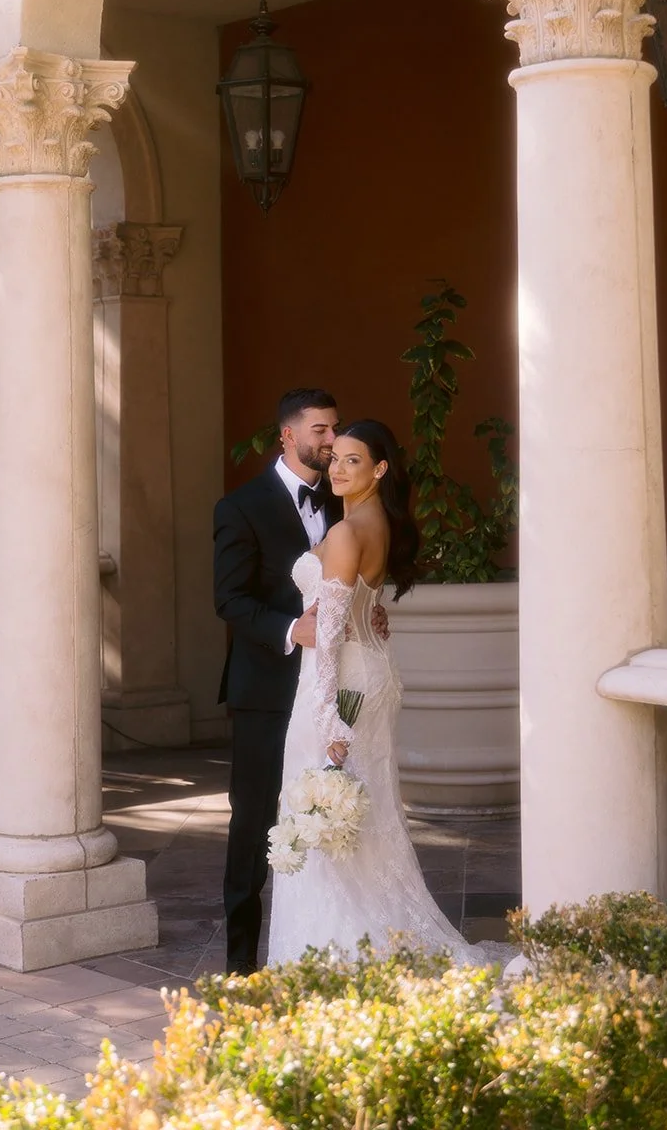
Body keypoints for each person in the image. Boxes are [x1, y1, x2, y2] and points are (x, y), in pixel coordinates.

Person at [267, 419, 483, 966]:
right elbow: (357, 606)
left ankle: (336, 961)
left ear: (379, 469)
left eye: (352, 460)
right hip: (371, 673)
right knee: (367, 814)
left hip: (340, 686)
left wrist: (327, 721)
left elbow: (332, 638)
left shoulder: (345, 533)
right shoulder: (375, 522)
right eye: (334, 458)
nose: (337, 468)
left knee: (329, 814)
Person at [214, 387, 345, 975]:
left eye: (333, 429)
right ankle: (241, 964)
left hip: (330, 689)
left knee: (330, 814)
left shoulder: (344, 499)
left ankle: (322, 947)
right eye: (319, 430)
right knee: (254, 824)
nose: (331, 440)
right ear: (288, 436)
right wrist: (294, 628)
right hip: (266, 690)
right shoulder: (240, 507)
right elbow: (229, 601)